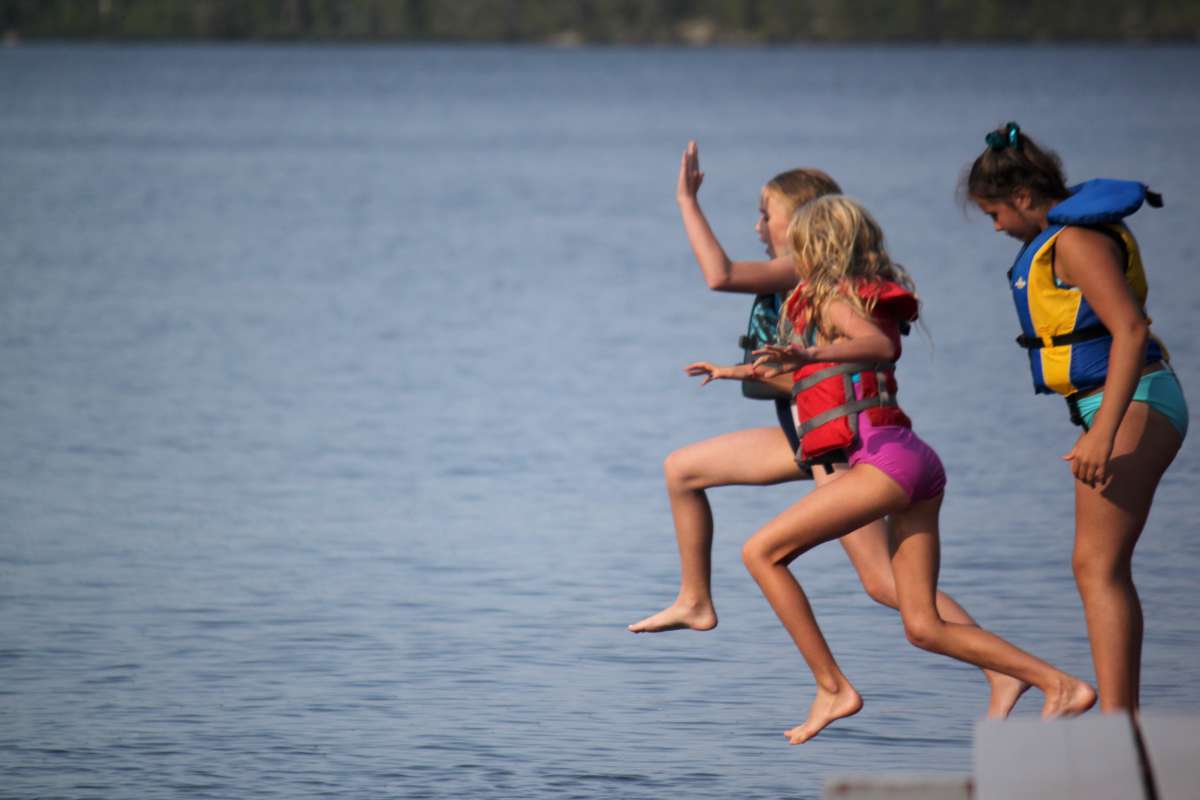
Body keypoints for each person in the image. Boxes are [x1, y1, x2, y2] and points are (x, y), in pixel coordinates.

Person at [629, 141, 1028, 720]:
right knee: (682, 469)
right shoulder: (804, 278)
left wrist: (686, 201)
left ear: (803, 222)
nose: (758, 226)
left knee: (885, 583)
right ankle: (695, 599)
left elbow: (718, 275)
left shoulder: (804, 270)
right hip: (803, 437)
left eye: (766, 214)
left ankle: (1000, 670)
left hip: (836, 446)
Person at [729, 195, 1097, 743]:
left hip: (886, 463)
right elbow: (847, 366)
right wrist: (734, 368)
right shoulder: (859, 296)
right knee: (923, 627)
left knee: (761, 552)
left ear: (815, 248)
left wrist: (806, 357)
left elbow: (878, 346)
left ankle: (832, 687)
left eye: (798, 248)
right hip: (915, 463)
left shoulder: (829, 300)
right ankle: (1056, 683)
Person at [964, 122, 1188, 713]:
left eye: (994, 213)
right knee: (1099, 566)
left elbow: (1131, 330)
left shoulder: (1075, 241)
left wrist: (1103, 435)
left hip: (1135, 399)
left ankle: (1119, 724)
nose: (996, 228)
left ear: (1021, 198)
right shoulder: (1068, 237)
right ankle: (1122, 719)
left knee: (1096, 566)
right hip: (1124, 402)